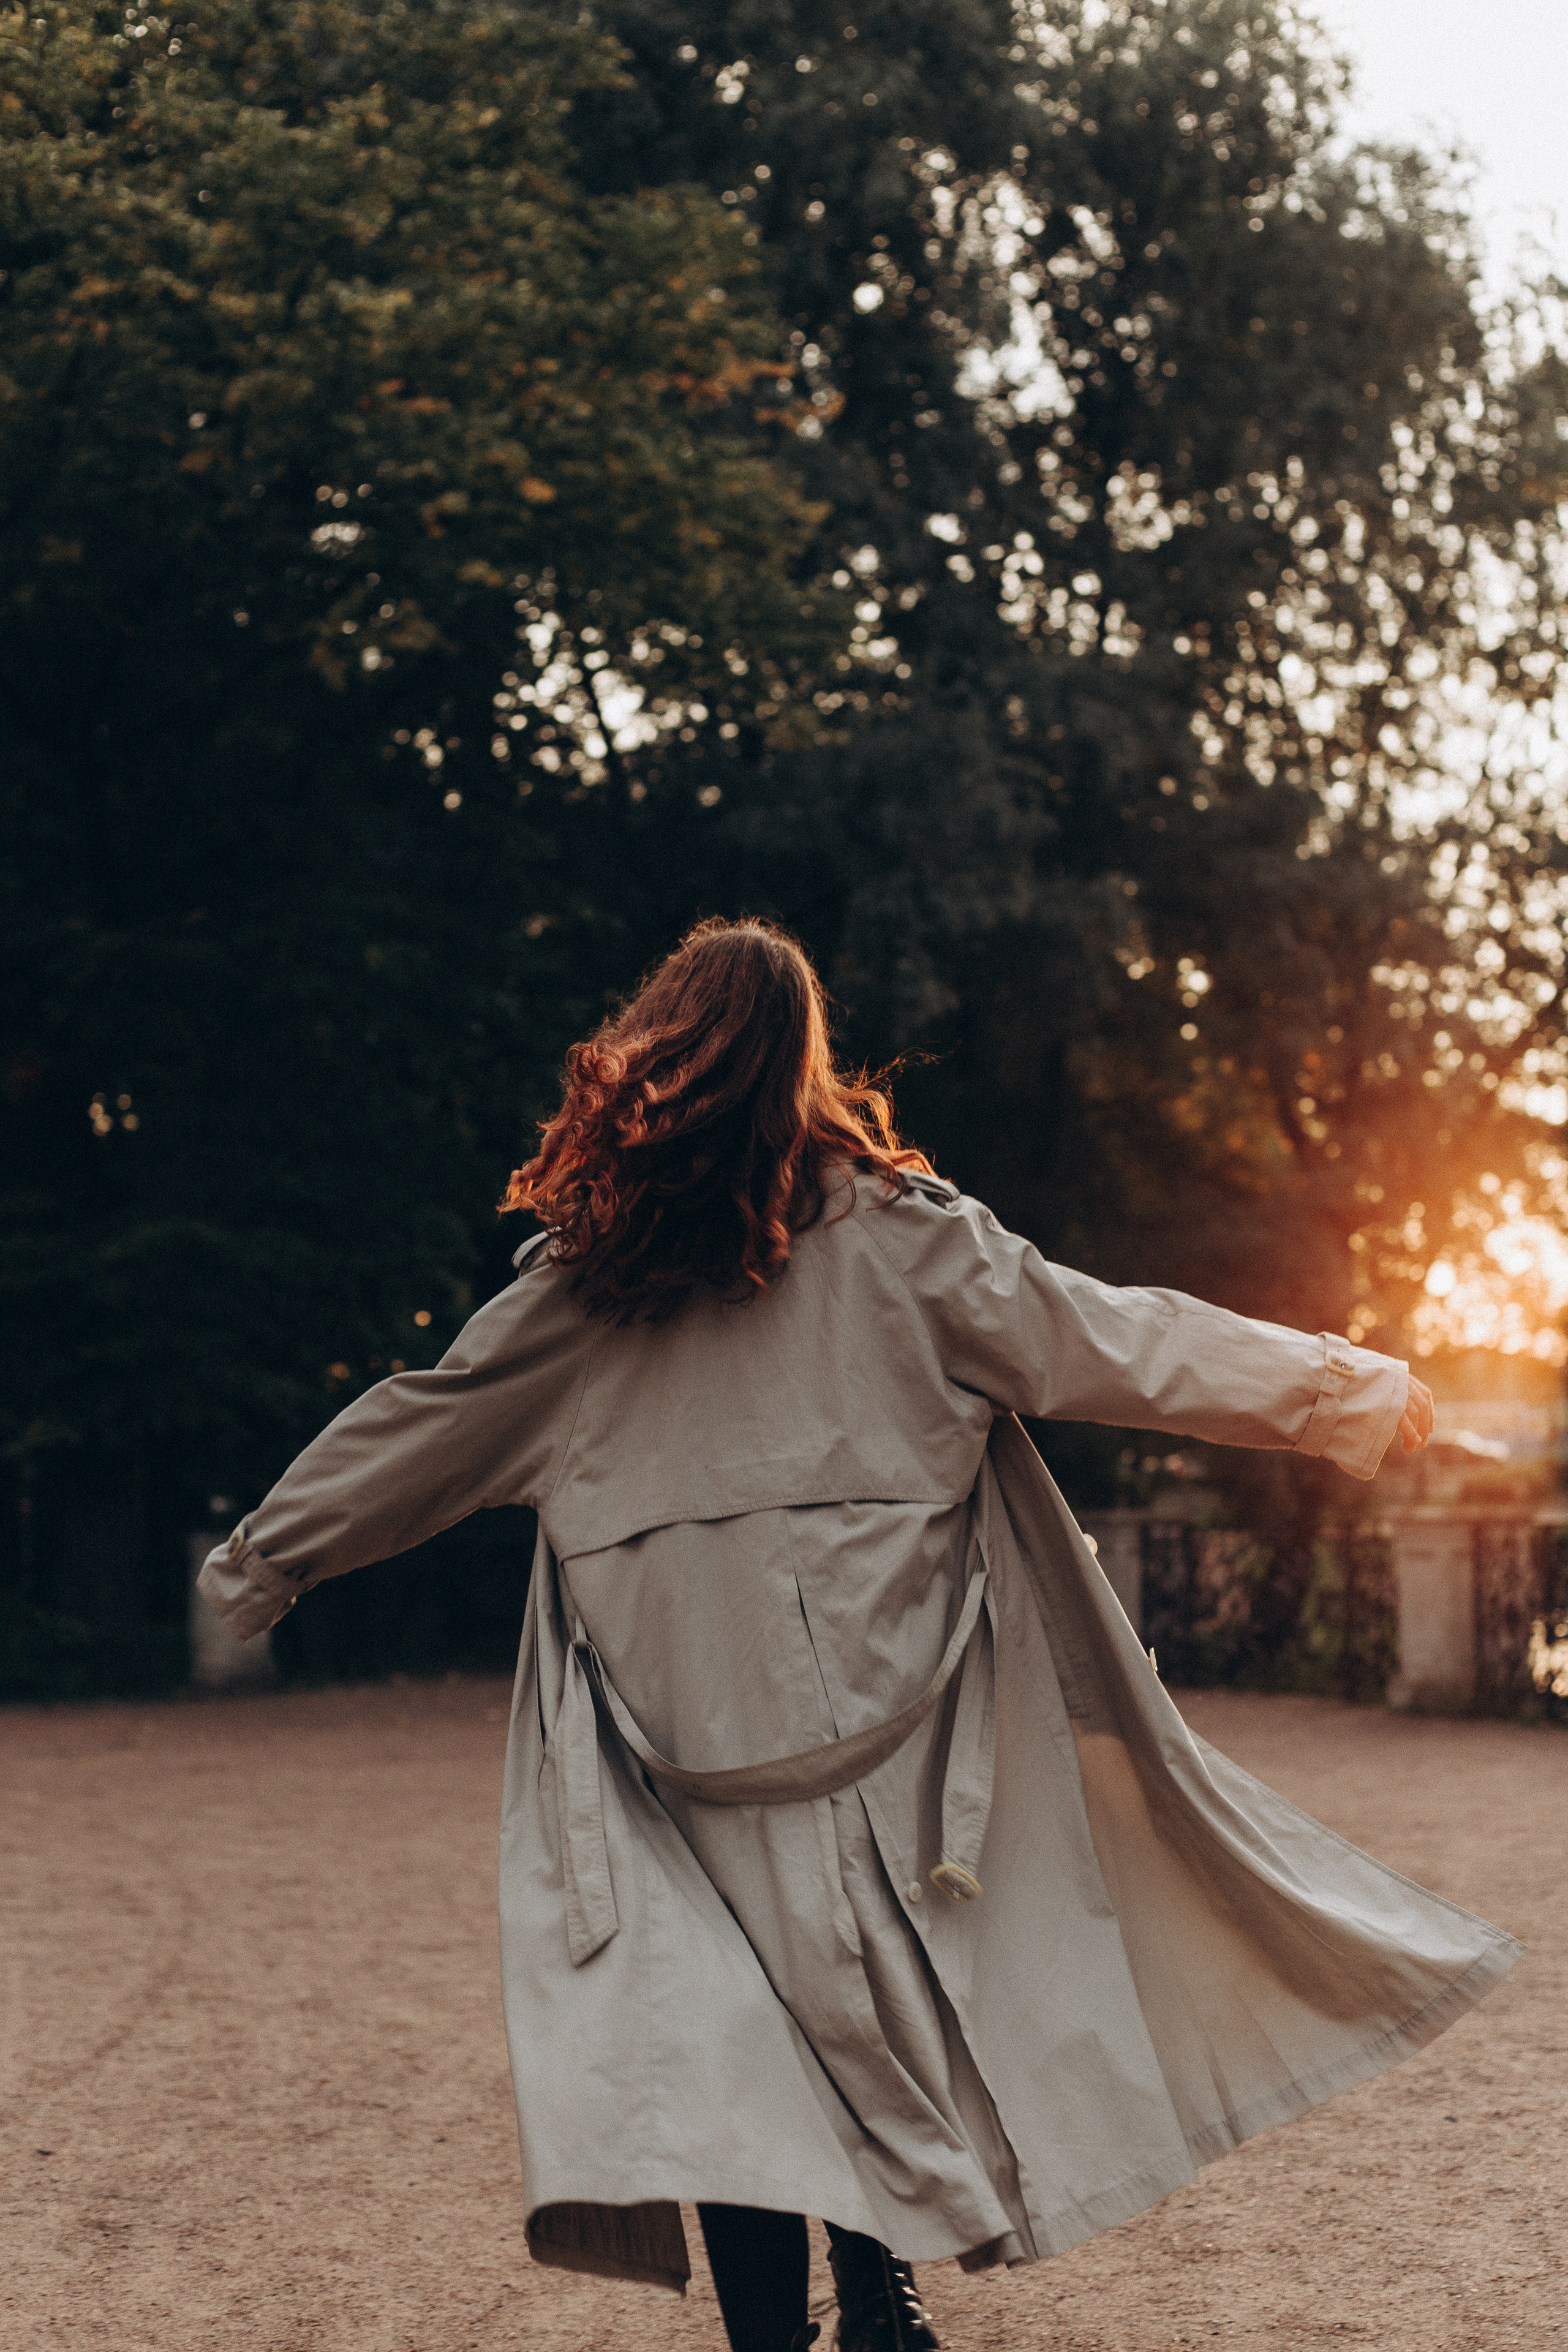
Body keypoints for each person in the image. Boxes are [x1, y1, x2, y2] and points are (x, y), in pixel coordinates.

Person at [201, 917, 1516, 2352]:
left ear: (655, 1061)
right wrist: (1341, 1392)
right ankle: (875, 2293)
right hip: (890, 1738)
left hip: (686, 1760)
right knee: (860, 2002)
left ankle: (796, 2326)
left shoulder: (578, 1299)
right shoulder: (905, 1246)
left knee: (732, 2035)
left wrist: (263, 1563)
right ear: (803, 1075)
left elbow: (418, 1429)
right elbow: (1115, 1340)